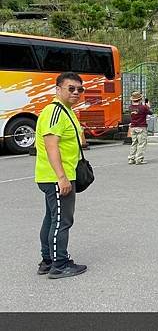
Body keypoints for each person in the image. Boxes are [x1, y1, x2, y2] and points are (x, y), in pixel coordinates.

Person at [34, 72, 88, 279]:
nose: (76, 92)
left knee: (52, 218)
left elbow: (80, 140)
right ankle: (60, 264)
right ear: (58, 89)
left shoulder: (67, 111)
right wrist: (62, 177)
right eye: (71, 88)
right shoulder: (54, 112)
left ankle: (47, 260)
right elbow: (51, 145)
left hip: (56, 175)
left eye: (80, 89)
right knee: (62, 221)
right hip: (56, 176)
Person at [128, 91, 152, 165]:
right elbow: (150, 112)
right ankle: (139, 159)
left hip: (133, 127)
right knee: (141, 143)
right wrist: (148, 106)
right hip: (141, 126)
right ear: (140, 99)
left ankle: (131, 158)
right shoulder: (143, 107)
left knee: (134, 143)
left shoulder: (130, 107)